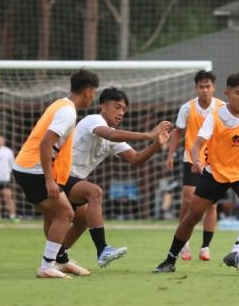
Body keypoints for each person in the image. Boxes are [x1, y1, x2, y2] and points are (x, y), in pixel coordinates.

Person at [154, 73, 239, 273]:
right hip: (216, 172)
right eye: (238, 93)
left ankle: (237, 250)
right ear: (227, 93)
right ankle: (170, 259)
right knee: (192, 215)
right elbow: (197, 144)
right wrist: (197, 160)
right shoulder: (215, 116)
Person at [54, 87, 172, 274]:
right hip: (58, 176)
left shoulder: (114, 136)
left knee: (83, 221)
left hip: (71, 180)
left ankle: (58, 259)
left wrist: (157, 144)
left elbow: (135, 159)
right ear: (103, 106)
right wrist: (148, 135)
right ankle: (102, 250)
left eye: (124, 109)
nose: (121, 112)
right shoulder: (94, 120)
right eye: (117, 107)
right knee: (94, 192)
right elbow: (110, 134)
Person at [12, 69, 99, 279]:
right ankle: (47, 265)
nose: (93, 96)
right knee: (65, 214)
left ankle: (60, 260)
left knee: (60, 215)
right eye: (94, 92)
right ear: (87, 91)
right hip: (34, 170)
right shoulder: (67, 112)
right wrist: (49, 179)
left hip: (27, 168)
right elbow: (46, 144)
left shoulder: (60, 104)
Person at [165, 70, 223, 261]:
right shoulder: (187, 108)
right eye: (201, 86)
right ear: (196, 88)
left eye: (208, 86)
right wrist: (170, 155)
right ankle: (184, 243)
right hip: (191, 159)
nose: (205, 90)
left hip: (214, 162)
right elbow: (178, 133)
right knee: (188, 201)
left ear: (214, 87)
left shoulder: (222, 107)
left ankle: (205, 247)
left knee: (211, 205)